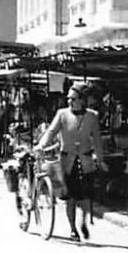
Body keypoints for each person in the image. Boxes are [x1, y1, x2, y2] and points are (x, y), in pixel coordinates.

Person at [36, 83, 105, 241]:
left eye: (73, 99)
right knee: (70, 198)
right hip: (68, 162)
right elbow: (51, 132)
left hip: (86, 162)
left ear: (82, 100)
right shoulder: (62, 114)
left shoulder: (92, 117)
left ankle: (83, 222)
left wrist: (100, 160)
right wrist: (41, 145)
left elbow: (97, 140)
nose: (69, 102)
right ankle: (73, 229)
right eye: (68, 99)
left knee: (86, 197)